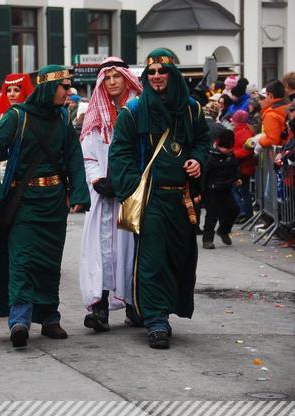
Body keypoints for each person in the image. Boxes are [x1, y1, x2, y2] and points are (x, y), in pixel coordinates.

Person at [0, 65, 90, 348]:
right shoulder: (17, 116)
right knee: (22, 260)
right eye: (64, 87)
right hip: (24, 201)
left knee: (50, 262)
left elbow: (73, 155)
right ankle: (20, 319)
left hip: (54, 202)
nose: (68, 92)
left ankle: (50, 318)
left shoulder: (62, 118)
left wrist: (80, 191)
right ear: (49, 87)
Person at [108, 48, 210, 349]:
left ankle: (165, 309)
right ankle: (155, 321)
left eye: (162, 71)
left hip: (182, 199)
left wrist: (197, 160)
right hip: (151, 199)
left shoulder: (191, 109)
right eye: (151, 72)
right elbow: (120, 153)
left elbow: (202, 141)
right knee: (152, 260)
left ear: (172, 74)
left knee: (180, 258)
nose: (156, 76)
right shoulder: (133, 111)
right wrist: (132, 189)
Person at [78, 57, 143, 332]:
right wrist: (97, 180)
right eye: (107, 77)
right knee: (101, 251)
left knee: (133, 251)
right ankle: (100, 307)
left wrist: (126, 181)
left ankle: (135, 306)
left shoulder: (139, 110)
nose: (113, 82)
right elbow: (88, 155)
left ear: (127, 78)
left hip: (133, 193)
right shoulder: (94, 115)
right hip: (103, 197)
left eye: (117, 76)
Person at [202, 129, 240, 249]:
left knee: (234, 210)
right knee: (212, 214)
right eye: (226, 148)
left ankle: (223, 230)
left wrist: (237, 178)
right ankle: (207, 239)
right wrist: (199, 191)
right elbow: (204, 175)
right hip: (211, 189)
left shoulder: (230, 155)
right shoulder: (211, 156)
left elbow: (234, 167)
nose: (229, 150)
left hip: (226, 188)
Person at [230, 110, 256, 223]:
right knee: (242, 190)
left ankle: (243, 212)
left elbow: (247, 151)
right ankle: (246, 213)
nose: (232, 121)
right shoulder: (243, 131)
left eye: (234, 119)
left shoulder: (244, 133)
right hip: (243, 166)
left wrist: (232, 154)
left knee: (237, 189)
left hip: (242, 167)